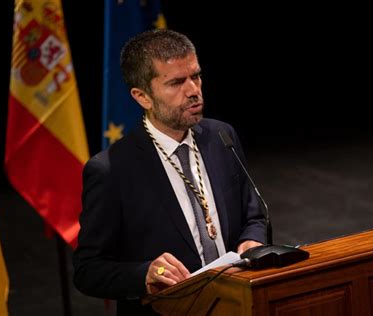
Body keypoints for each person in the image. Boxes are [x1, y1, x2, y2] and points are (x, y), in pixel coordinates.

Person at [73, 29, 266, 315]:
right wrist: (144, 274)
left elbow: (254, 214)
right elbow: (88, 270)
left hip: (236, 303)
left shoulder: (222, 136)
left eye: (196, 76)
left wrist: (253, 240)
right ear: (142, 97)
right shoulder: (111, 170)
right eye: (177, 83)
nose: (193, 91)